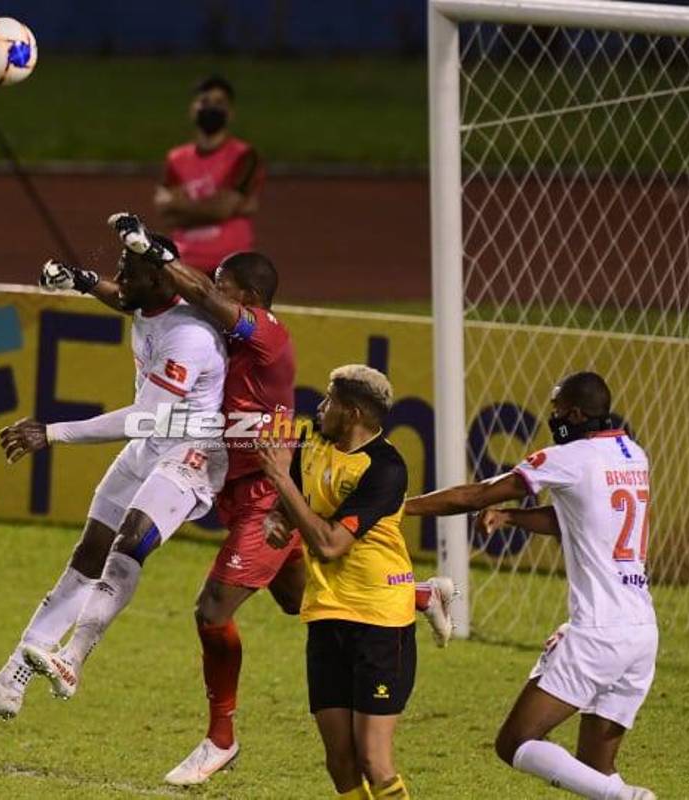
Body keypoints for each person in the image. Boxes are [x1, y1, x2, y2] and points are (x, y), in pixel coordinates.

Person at [106, 213, 456, 786]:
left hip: (268, 488)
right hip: (239, 487)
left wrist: (155, 248)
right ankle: (419, 593)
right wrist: (87, 281)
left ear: (245, 297)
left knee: (212, 611)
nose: (209, 290)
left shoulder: (266, 333)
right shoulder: (216, 332)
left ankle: (221, 738)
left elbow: (195, 291)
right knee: (297, 601)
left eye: (221, 285)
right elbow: (148, 297)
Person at [0, 234, 228, 714]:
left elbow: (144, 416)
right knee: (88, 553)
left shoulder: (189, 337)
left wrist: (52, 433)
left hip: (189, 453)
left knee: (127, 541)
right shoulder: (149, 302)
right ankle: (10, 682)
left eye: (130, 270)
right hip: (150, 448)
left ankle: (74, 658)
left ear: (160, 279)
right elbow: (122, 297)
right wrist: (83, 281)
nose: (121, 278)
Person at [404, 372, 658, 800]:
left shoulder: (570, 457)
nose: (552, 418)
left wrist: (399, 508)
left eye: (557, 411)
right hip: (642, 631)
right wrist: (511, 517)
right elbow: (574, 519)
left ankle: (630, 798)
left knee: (514, 742)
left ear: (574, 414)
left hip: (598, 633)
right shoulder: (633, 454)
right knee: (595, 769)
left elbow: (477, 494)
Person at [258, 365, 417, 800]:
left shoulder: (385, 468)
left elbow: (330, 544)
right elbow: (288, 502)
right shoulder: (311, 443)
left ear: (352, 413)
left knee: (374, 761)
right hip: (327, 612)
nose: (320, 407)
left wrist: (279, 479)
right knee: (340, 762)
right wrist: (276, 519)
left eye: (329, 401)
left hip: (379, 621)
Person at [154, 75, 264, 275]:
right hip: (185, 265)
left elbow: (221, 209)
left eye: (219, 103)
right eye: (204, 101)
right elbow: (167, 214)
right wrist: (220, 208)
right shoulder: (176, 158)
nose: (211, 108)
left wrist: (181, 206)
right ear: (192, 109)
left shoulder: (243, 156)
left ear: (230, 113)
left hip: (231, 267)